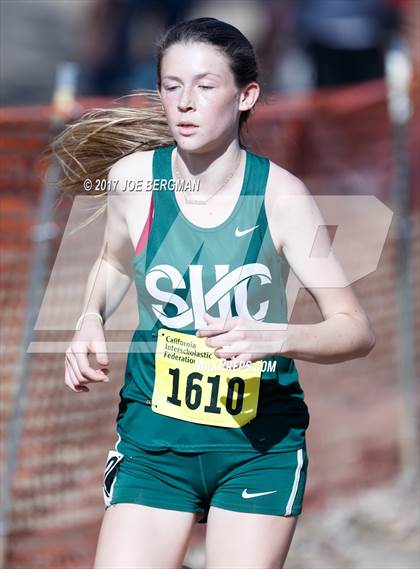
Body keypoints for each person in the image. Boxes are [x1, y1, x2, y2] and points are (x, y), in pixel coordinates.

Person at [57, 17, 376, 569]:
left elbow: (355, 329)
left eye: (205, 86)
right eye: (172, 86)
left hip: (256, 450)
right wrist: (89, 317)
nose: (185, 102)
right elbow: (113, 261)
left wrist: (274, 336)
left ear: (245, 95)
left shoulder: (280, 197)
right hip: (154, 444)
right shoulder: (134, 180)